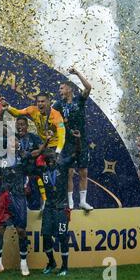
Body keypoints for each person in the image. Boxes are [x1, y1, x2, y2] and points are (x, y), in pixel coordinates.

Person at [0, 116, 44, 277]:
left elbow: (33, 166)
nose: (13, 143)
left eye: (16, 141)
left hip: (19, 196)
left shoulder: (25, 157)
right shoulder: (0, 157)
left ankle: (23, 263)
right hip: (4, 196)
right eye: (11, 141)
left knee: (21, 231)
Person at [36, 130, 82, 277]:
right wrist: (47, 141)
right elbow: (37, 154)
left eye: (53, 152)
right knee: (46, 237)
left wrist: (77, 140)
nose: (52, 153)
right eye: (49, 152)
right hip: (49, 208)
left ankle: (64, 267)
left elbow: (77, 154)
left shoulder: (62, 165)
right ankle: (51, 262)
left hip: (61, 209)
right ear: (46, 158)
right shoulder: (42, 170)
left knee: (62, 238)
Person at [53, 68, 93, 211]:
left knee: (83, 172)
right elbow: (50, 118)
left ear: (69, 88)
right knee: (69, 172)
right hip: (67, 143)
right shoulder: (58, 105)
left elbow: (88, 87)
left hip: (81, 142)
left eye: (62, 88)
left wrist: (77, 74)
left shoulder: (79, 100)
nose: (60, 91)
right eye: (59, 89)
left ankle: (82, 201)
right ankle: (70, 202)